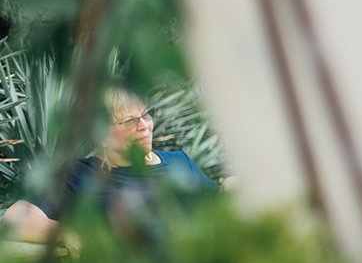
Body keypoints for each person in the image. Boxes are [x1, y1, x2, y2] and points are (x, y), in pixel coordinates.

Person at [0, 87, 218, 244]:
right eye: (130, 121)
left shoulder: (180, 161)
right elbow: (14, 219)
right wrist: (68, 234)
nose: (144, 126)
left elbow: (222, 210)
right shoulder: (79, 174)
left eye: (145, 116)